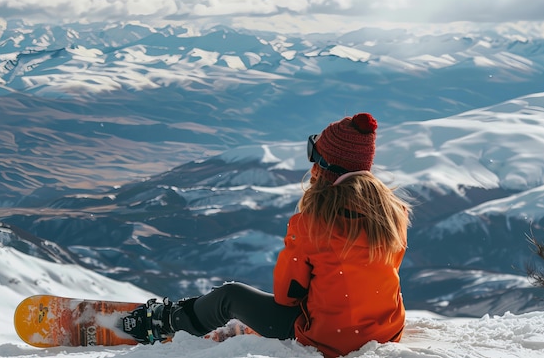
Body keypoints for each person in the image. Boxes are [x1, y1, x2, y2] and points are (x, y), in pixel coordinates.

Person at [123, 113, 412, 358]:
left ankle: (166, 322)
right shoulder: (393, 214)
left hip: (331, 341)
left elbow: (287, 296)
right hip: (386, 331)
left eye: (315, 154)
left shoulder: (310, 223)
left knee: (230, 296)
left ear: (324, 165)